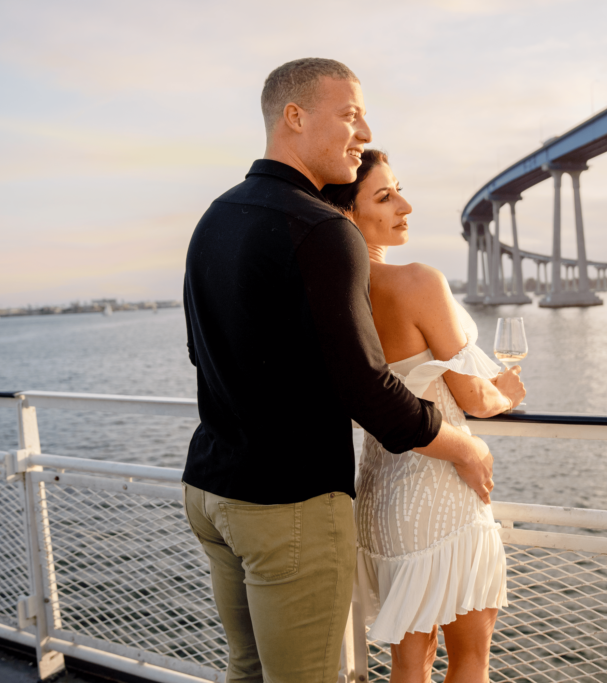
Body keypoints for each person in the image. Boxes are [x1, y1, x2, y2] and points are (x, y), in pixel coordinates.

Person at [181, 58, 495, 683]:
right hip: (287, 500)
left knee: (247, 672)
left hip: (211, 490)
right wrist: (462, 446)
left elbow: (202, 353)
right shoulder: (323, 229)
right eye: (350, 114)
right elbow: (365, 385)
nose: (363, 129)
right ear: (293, 118)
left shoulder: (216, 215)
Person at [322, 150, 526, 683]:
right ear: (347, 213)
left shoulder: (333, 296)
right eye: (385, 197)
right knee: (470, 660)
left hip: (379, 495)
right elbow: (473, 399)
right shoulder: (417, 281)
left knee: (411, 663)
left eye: (400, 191)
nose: (405, 206)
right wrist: (507, 393)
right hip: (441, 492)